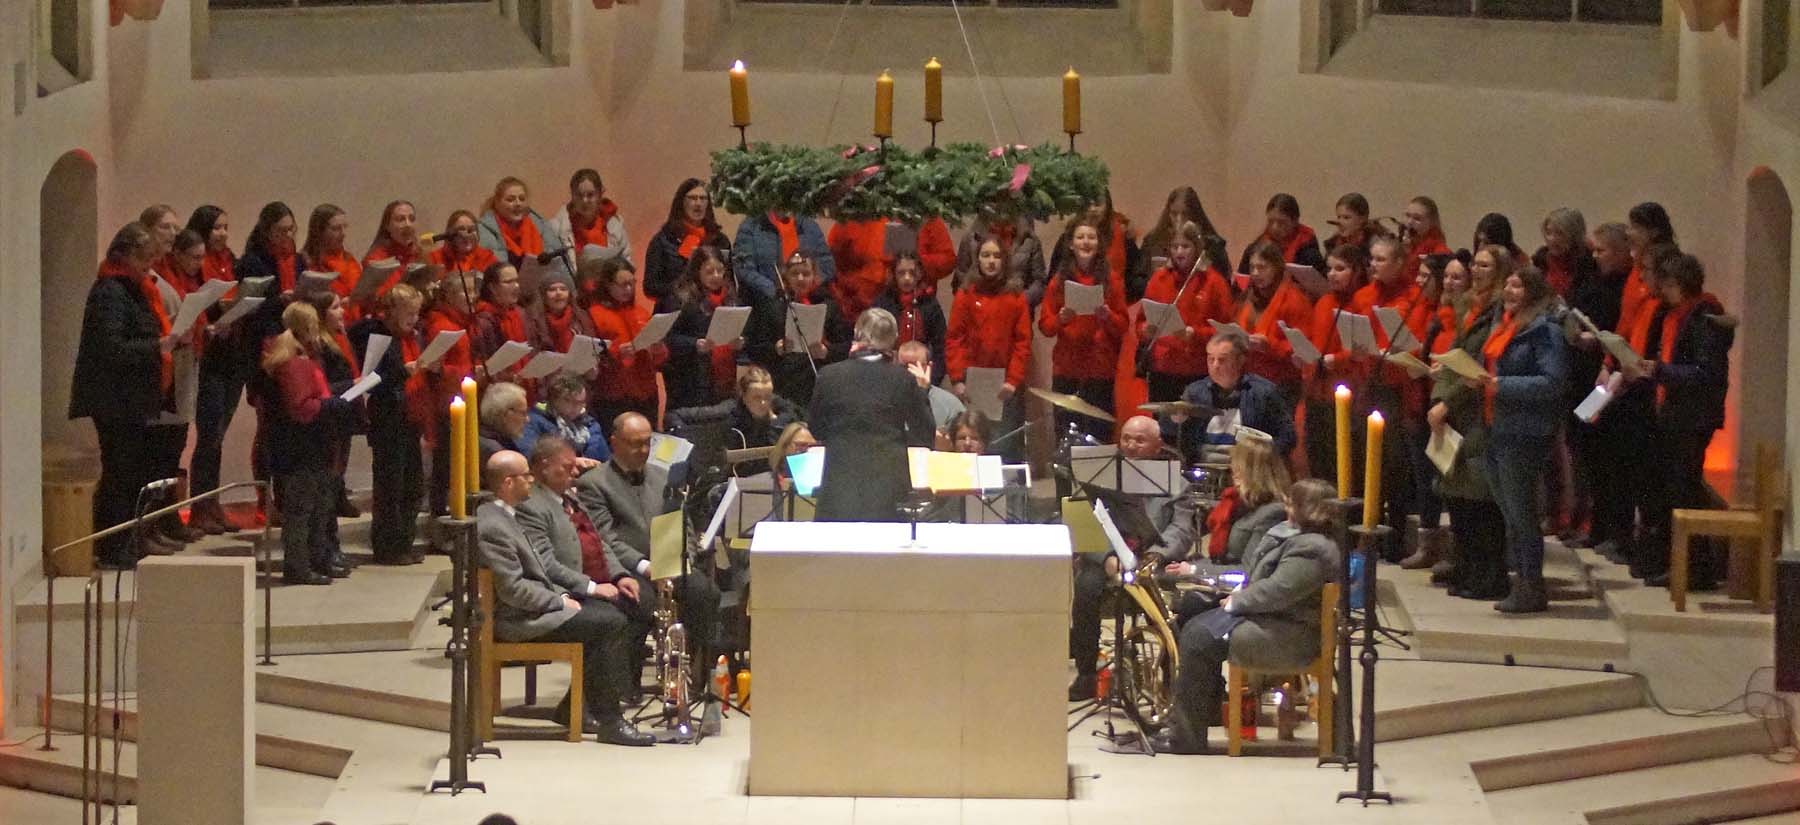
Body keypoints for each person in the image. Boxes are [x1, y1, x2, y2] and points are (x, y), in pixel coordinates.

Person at [476, 450, 654, 746]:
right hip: (517, 620)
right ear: (508, 483)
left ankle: (585, 708)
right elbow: (513, 590)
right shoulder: (493, 526)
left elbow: (537, 573)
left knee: (613, 616)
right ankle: (609, 720)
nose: (531, 481)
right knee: (610, 622)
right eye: (526, 476)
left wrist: (560, 595)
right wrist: (559, 601)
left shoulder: (507, 514)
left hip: (539, 605)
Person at [1151, 478, 1340, 755]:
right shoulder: (1294, 535)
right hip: (1278, 620)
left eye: (1291, 502)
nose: (1285, 506)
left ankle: (1187, 738)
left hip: (1291, 634)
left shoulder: (1312, 549)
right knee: (1196, 621)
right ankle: (1195, 721)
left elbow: (1279, 590)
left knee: (1198, 636)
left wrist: (1237, 602)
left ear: (1306, 509)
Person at [572, 412, 723, 701]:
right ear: (614, 442)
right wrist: (645, 567)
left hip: (670, 563)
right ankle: (627, 685)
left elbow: (682, 523)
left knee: (707, 594)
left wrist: (683, 558)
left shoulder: (662, 474)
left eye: (647, 443)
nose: (642, 451)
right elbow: (606, 538)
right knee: (643, 602)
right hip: (627, 570)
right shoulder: (594, 483)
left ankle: (696, 679)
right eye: (634, 444)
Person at [71, 224, 191, 568]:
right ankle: (113, 547)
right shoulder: (110, 291)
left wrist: (169, 341)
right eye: (145, 259)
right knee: (121, 473)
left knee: (133, 472)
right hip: (115, 398)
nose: (149, 268)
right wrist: (159, 346)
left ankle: (128, 540)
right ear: (123, 255)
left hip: (133, 397)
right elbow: (111, 347)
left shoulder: (134, 288)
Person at [514, 436, 654, 699]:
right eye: (567, 467)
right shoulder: (532, 506)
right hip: (566, 590)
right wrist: (592, 588)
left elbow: (600, 542)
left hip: (597, 581)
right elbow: (545, 564)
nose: (575, 471)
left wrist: (619, 575)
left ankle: (623, 687)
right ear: (544, 467)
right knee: (613, 620)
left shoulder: (569, 497)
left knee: (644, 600)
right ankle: (591, 702)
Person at [1635, 252, 1733, 590]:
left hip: (1692, 418)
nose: (1660, 290)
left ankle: (1697, 570)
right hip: (1675, 415)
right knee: (1675, 492)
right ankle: (1681, 565)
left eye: (1666, 284)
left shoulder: (1705, 318)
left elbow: (1705, 373)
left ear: (1679, 284)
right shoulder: (1678, 315)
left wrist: (1659, 370)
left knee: (1685, 492)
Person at [1475, 265, 1568, 613]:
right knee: (1509, 512)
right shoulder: (1506, 325)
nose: (1510, 292)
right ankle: (1522, 582)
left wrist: (1501, 386)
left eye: (1518, 287)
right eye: (1508, 286)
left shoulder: (1545, 332)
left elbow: (1552, 383)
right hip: (1495, 427)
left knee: (1522, 513)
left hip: (1523, 432)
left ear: (1533, 292)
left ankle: (1531, 586)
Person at [1427, 245, 1510, 599]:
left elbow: (1477, 363)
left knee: (1480, 499)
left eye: (1485, 266)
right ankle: (1465, 568)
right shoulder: (1467, 305)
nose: (1477, 271)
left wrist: (1447, 401)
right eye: (1475, 264)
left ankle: (1488, 575)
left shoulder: (1498, 312)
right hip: (1455, 409)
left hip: (1476, 411)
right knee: (1457, 497)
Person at [255, 302, 356, 585]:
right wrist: (335, 404)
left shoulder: (294, 357)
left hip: (305, 446)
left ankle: (315, 559)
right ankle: (298, 567)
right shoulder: (292, 361)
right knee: (300, 511)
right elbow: (302, 408)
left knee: (315, 507)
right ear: (308, 328)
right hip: (300, 448)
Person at [809, 308, 937, 522]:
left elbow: (816, 429)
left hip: (840, 486)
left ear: (858, 333)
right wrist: (922, 392)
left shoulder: (829, 375)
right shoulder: (903, 379)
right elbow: (924, 434)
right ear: (893, 339)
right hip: (888, 489)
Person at [350, 284, 429, 566]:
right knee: (390, 486)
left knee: (413, 485)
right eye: (408, 312)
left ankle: (403, 543)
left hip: (410, 416)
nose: (413, 318)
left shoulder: (411, 337)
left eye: (416, 313)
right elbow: (372, 376)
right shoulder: (375, 335)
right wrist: (402, 371)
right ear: (392, 311)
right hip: (389, 417)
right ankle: (388, 547)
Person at [1039, 216, 1128, 442]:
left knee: (1098, 436)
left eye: (1091, 237)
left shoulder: (1112, 280)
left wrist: (1107, 316)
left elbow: (1123, 326)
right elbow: (1045, 327)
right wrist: (1061, 318)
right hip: (1067, 370)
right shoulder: (1059, 281)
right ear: (1071, 244)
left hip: (1099, 370)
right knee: (1066, 436)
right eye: (1080, 237)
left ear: (1099, 243)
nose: (1086, 242)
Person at [1574, 223, 1633, 558]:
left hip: (1616, 383)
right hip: (1591, 380)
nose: (1595, 257)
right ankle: (1596, 527)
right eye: (1593, 251)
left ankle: (1617, 531)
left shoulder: (1626, 286)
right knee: (1591, 456)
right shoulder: (1595, 280)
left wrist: (1597, 342)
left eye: (1602, 251)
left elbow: (1622, 331)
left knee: (1614, 462)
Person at [945, 238, 1033, 460]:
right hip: (974, 382)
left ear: (1005, 260)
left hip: (1006, 384)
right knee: (976, 443)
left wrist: (1012, 381)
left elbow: (1022, 341)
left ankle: (1009, 495)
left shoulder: (1016, 296)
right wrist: (957, 379)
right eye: (986, 255)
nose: (991, 261)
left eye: (996, 256)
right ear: (978, 260)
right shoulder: (965, 294)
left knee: (1005, 445)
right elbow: (955, 338)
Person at [1165, 329, 1297, 465]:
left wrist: (1258, 458)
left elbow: (1287, 437)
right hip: (1203, 468)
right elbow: (1171, 435)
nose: (1215, 365)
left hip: (1247, 472)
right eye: (1210, 359)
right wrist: (1174, 420)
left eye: (1222, 360)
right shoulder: (1195, 392)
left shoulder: (1264, 392)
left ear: (1240, 361)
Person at [1139, 220, 1235, 403]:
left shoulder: (1213, 281)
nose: (1179, 252)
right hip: (1163, 368)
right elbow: (1141, 321)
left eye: (1185, 246)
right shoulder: (1159, 278)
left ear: (1197, 248)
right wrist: (1145, 330)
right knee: (1163, 427)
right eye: (1175, 247)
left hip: (1197, 370)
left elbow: (1226, 331)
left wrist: (1195, 334)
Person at [1303, 244, 1370, 486]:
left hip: (1345, 392)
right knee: (1318, 457)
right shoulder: (1323, 302)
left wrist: (1337, 359)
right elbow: (1314, 340)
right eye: (1329, 268)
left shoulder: (1360, 303)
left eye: (1340, 269)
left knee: (1344, 461)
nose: (1332, 274)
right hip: (1317, 391)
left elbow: (1363, 349)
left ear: (1357, 272)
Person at [659, 246, 746, 410]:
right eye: (709, 271)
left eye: (720, 270)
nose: (716, 276)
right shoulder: (680, 297)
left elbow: (740, 329)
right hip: (692, 379)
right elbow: (668, 337)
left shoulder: (730, 295)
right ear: (696, 271)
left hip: (724, 376)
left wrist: (740, 343)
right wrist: (694, 344)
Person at [423, 270, 480, 518]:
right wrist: (468, 371)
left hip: (461, 398)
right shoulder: (440, 325)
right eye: (464, 291)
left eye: (474, 290)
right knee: (445, 466)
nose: (472, 296)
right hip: (446, 403)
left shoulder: (462, 322)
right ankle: (441, 517)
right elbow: (435, 369)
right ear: (448, 295)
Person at [584, 257, 667, 427]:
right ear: (608, 284)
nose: (628, 289)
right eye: (623, 284)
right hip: (614, 395)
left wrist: (658, 349)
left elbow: (660, 360)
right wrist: (616, 352)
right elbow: (590, 356)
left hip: (646, 392)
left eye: (631, 283)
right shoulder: (594, 314)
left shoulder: (642, 313)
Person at [1233, 241, 1315, 414]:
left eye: (1262, 267)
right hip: (1250, 379)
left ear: (1276, 268)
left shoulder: (1295, 300)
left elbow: (1304, 348)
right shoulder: (1249, 296)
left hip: (1281, 384)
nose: (1255, 273)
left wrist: (1270, 346)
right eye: (1252, 267)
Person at [761, 250, 850, 408]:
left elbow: (846, 346)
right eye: (795, 273)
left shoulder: (828, 305)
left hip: (818, 379)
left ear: (815, 276)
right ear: (786, 277)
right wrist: (776, 349)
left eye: (806, 273)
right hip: (784, 382)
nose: (800, 278)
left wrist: (826, 352)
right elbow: (758, 346)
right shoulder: (773, 306)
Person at [644, 178, 732, 304]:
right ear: (681, 203)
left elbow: (729, 282)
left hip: (713, 310)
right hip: (676, 310)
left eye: (703, 198)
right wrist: (688, 288)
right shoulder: (663, 240)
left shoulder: (720, 240)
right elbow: (650, 288)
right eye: (692, 198)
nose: (698, 203)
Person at [871, 252, 948, 386]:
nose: (907, 278)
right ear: (893, 274)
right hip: (887, 376)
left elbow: (940, 347)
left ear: (919, 274)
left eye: (912, 273)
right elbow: (872, 344)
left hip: (922, 375)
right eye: (901, 273)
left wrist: (932, 379)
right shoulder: (882, 303)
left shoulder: (930, 304)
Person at [735, 208, 835, 306]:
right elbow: (744, 269)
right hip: (765, 302)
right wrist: (775, 291)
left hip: (808, 299)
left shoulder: (809, 225)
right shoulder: (751, 226)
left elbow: (827, 265)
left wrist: (808, 284)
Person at [1135, 186, 1229, 288]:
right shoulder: (1153, 240)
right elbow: (1136, 281)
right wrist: (1153, 280)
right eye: (1174, 214)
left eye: (1185, 214)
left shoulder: (1212, 245)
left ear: (1194, 214)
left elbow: (1225, 284)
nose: (1179, 220)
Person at [953, 214, 1047, 306]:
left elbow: (1039, 282)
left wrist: (1020, 301)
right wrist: (978, 302)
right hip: (977, 313)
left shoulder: (1029, 240)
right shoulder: (971, 238)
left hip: (1017, 313)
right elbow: (960, 277)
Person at [519, 373, 611, 466]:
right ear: (553, 399)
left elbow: (606, 459)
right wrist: (573, 462)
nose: (575, 407)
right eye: (568, 400)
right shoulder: (534, 421)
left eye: (580, 402)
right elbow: (531, 457)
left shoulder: (591, 425)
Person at [549, 168, 631, 267]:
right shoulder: (557, 228)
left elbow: (627, 264)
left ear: (600, 194)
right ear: (572, 195)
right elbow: (551, 270)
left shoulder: (615, 226)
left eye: (590, 195)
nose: (584, 200)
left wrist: (620, 274)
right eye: (579, 195)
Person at [478, 176, 560, 271]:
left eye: (522, 199)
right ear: (497, 203)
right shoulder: (484, 230)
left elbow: (559, 262)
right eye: (510, 199)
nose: (518, 204)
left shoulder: (540, 225)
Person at [359, 200, 426, 313]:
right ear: (387, 226)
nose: (408, 224)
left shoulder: (419, 254)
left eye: (411, 219)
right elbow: (383, 301)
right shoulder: (376, 260)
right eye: (400, 219)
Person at [1235, 193, 1326, 275]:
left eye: (1281, 222)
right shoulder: (1255, 249)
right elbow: (1240, 282)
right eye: (1271, 221)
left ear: (1295, 221)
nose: (1274, 227)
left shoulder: (1309, 253)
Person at [302, 205, 364, 314]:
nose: (343, 233)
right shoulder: (308, 263)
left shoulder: (349, 259)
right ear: (319, 232)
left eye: (345, 227)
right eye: (336, 229)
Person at [471, 261, 527, 382]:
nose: (516, 286)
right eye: (508, 282)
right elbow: (486, 364)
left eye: (516, 281)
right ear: (492, 287)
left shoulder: (520, 313)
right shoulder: (482, 320)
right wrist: (509, 377)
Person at [525, 273, 598, 356]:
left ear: (570, 294)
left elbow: (591, 346)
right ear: (543, 296)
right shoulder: (534, 321)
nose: (558, 293)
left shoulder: (581, 317)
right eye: (552, 290)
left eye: (563, 289)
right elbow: (533, 350)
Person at [899, 341, 964, 432]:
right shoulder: (886, 399)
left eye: (915, 366)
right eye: (903, 366)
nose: (909, 372)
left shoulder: (951, 406)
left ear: (929, 366)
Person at [429, 210, 500, 284]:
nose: (466, 235)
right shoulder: (434, 258)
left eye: (471, 230)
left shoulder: (487, 257)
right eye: (461, 230)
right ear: (449, 234)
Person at [1401, 195, 1452, 282]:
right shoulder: (1406, 246)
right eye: (1407, 216)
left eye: (1417, 218)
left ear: (1432, 222)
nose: (1409, 222)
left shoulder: (1440, 254)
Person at [479, 381, 531, 467]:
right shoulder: (495, 455)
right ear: (504, 414)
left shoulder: (502, 442)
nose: (527, 419)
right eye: (523, 413)